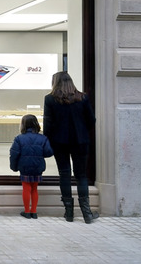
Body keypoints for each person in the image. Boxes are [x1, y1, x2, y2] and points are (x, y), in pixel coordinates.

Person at [43, 71, 99, 223]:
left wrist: (47, 140)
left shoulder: (50, 99)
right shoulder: (83, 97)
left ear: (55, 83)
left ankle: (69, 213)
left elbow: (48, 124)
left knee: (64, 174)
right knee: (81, 175)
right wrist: (82, 131)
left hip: (59, 142)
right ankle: (87, 213)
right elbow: (91, 120)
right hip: (80, 141)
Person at [10, 114, 53, 219]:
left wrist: (14, 167)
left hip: (24, 166)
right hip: (37, 166)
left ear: (23, 125)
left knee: (26, 188)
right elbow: (49, 152)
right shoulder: (43, 138)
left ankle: (27, 212)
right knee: (34, 188)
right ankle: (34, 212)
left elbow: (14, 154)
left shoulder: (19, 138)